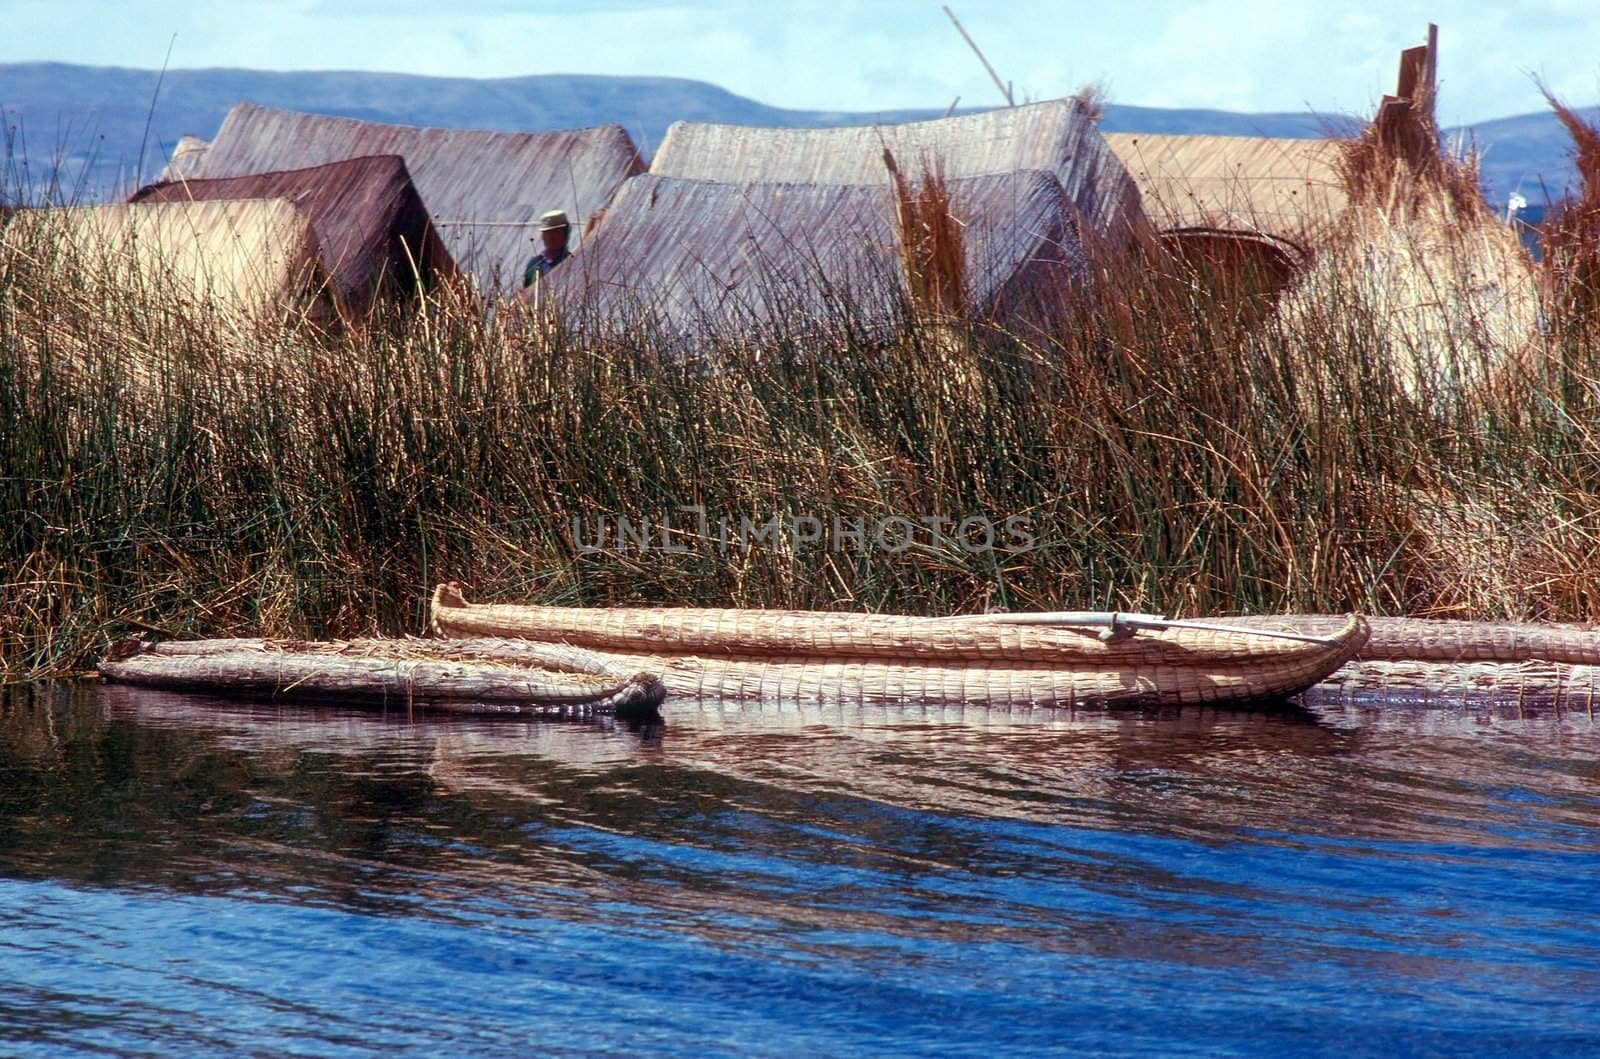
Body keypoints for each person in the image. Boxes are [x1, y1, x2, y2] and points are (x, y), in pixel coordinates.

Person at [523, 209, 572, 287]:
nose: (551, 238)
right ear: (542, 236)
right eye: (547, 233)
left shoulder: (571, 262)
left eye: (556, 232)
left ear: (565, 234)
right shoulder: (534, 264)